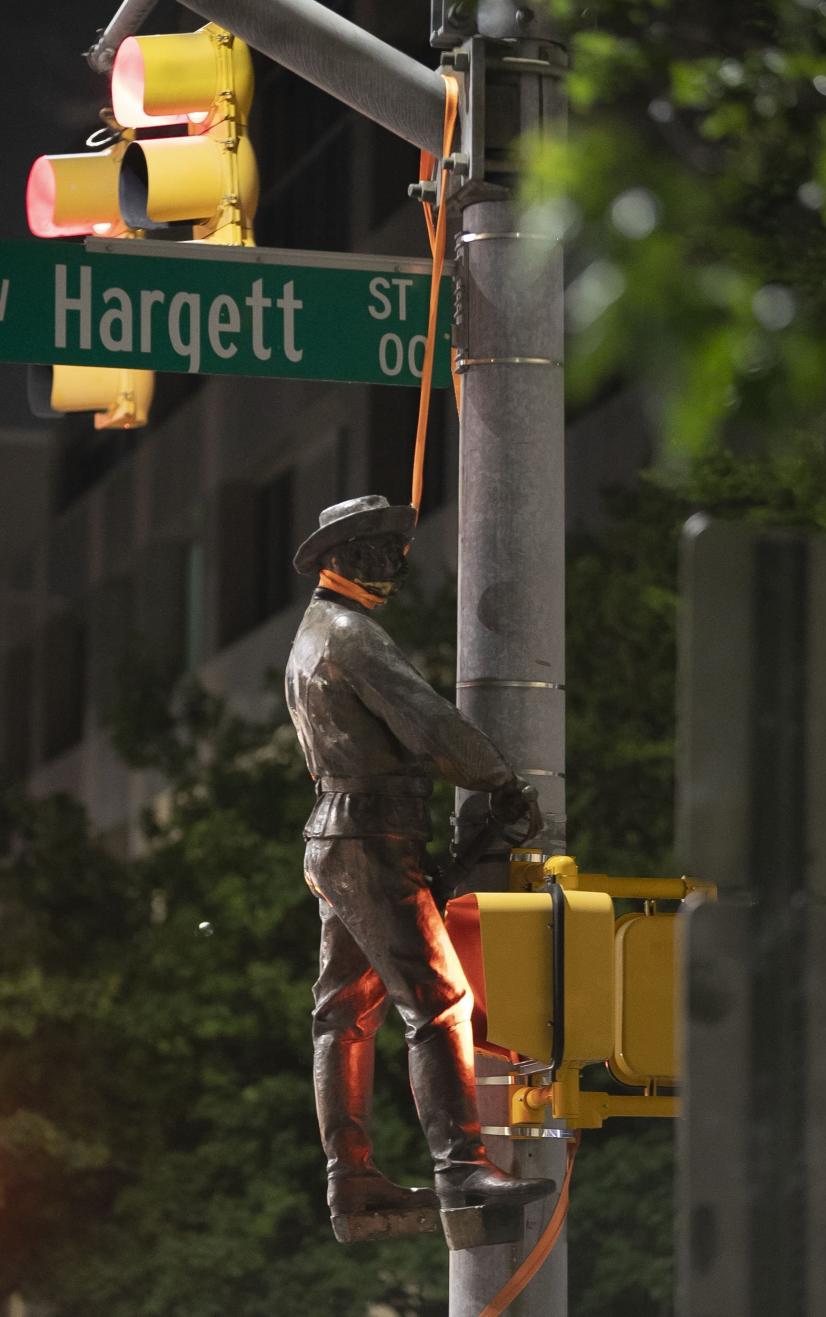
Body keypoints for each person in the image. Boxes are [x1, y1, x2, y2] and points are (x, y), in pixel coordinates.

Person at [285, 495, 555, 1232]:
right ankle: (462, 1164)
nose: (392, 563)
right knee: (441, 1002)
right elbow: (428, 720)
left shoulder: (311, 637)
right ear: (340, 557)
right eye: (377, 548)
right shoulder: (352, 636)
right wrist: (499, 779)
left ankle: (352, 1183)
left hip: (336, 838)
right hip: (373, 841)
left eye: (393, 548)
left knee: (341, 1015)